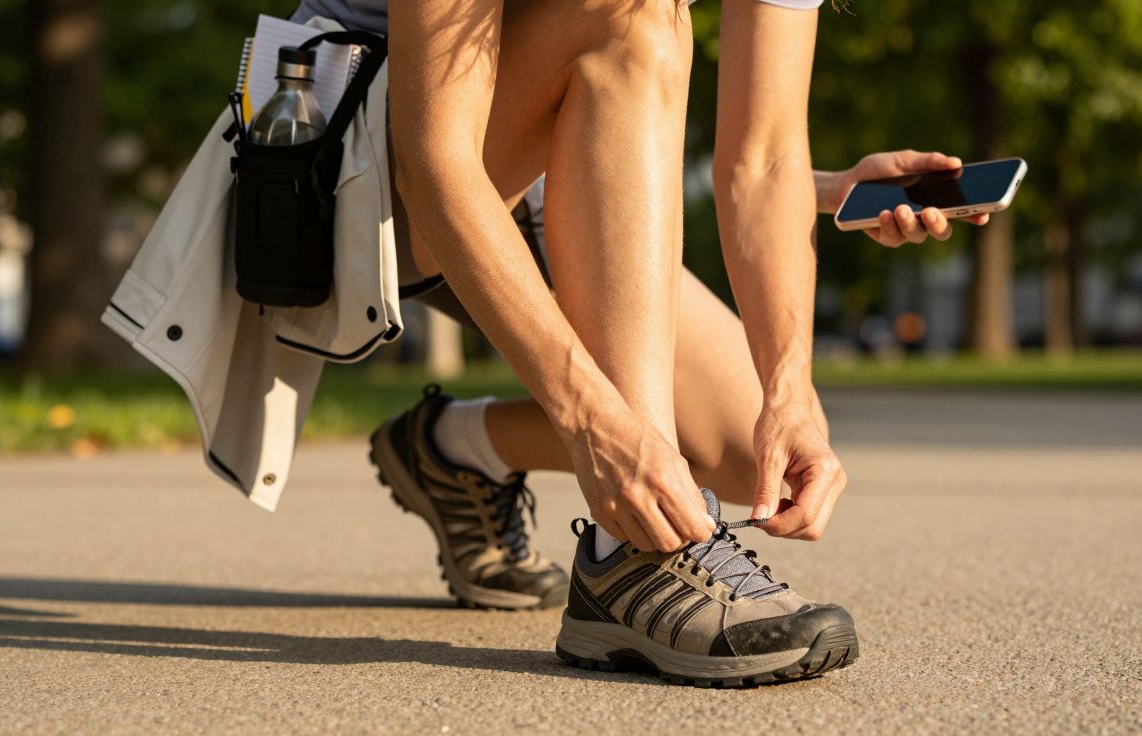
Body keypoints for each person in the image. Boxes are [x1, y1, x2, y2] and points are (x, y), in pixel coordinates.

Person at [294, 0, 985, 685]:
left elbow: (765, 160)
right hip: (343, 170)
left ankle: (452, 450)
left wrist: (791, 390)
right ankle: (634, 555)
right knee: (631, 16)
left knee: (753, 458)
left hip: (528, 182)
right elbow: (434, 155)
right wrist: (593, 423)